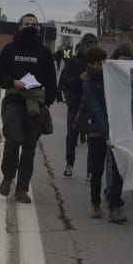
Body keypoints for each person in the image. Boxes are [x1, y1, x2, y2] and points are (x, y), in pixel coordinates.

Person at [0, 13, 58, 203]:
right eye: (26, 24)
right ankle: (7, 177)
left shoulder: (44, 52)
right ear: (20, 26)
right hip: (14, 101)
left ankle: (22, 188)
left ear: (38, 27)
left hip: (36, 105)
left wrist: (47, 102)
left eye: (34, 24)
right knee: (13, 138)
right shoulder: (10, 49)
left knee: (29, 147)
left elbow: (51, 81)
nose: (30, 26)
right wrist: (13, 81)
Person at [82, 43, 129, 223]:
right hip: (97, 131)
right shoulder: (88, 84)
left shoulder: (113, 77)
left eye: (104, 62)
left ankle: (115, 207)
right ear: (91, 64)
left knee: (117, 170)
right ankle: (95, 203)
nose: (103, 66)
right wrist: (107, 135)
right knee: (97, 169)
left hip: (116, 130)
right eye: (99, 63)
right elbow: (97, 110)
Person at [57, 33, 99, 179]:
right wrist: (79, 78)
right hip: (75, 107)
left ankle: (90, 172)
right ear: (82, 46)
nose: (91, 48)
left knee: (92, 142)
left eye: (94, 45)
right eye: (88, 45)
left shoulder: (99, 62)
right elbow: (65, 81)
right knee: (71, 137)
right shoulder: (74, 62)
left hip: (94, 109)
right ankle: (69, 165)